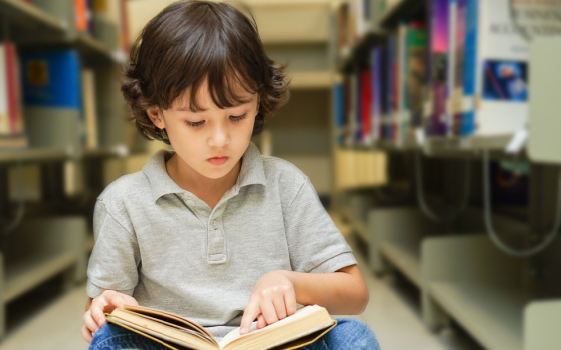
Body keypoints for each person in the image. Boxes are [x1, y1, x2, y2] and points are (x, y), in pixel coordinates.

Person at [82, 1, 379, 349]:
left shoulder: (286, 185)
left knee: (353, 338)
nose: (220, 140)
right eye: (196, 122)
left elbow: (355, 293)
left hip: (266, 344)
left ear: (257, 103)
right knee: (109, 341)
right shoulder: (124, 202)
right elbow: (102, 308)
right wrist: (105, 308)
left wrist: (288, 282)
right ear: (157, 114)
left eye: (237, 117)